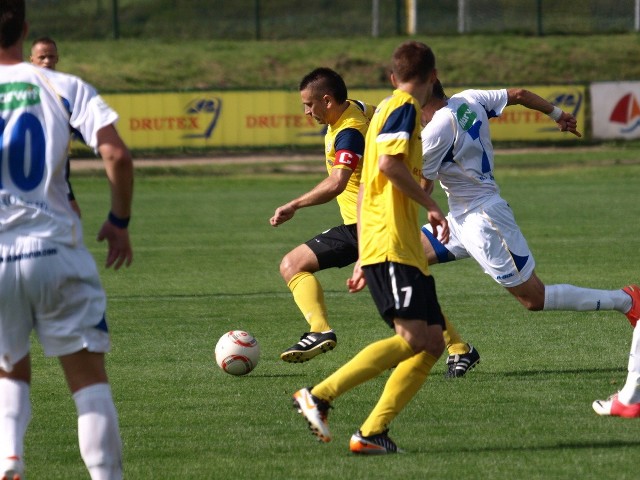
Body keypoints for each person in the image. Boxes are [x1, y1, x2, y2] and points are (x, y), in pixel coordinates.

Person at [418, 80, 640, 416]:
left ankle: (626, 300)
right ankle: (457, 348)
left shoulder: (435, 130)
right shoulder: (468, 99)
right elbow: (518, 95)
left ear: (421, 94)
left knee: (533, 299)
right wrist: (558, 114)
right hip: (459, 218)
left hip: (483, 221)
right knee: (401, 261)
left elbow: (422, 187)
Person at [292, 40, 450, 454]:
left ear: (393, 75)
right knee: (414, 337)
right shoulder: (402, 109)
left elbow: (363, 189)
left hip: (392, 245)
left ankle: (372, 432)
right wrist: (432, 204)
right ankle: (319, 395)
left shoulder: (380, 111)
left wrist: (362, 253)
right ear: (434, 76)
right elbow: (388, 166)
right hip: (392, 242)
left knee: (432, 342)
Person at [270, 67, 480, 377]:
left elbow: (338, 182)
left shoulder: (349, 132)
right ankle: (459, 348)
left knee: (292, 265)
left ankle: (320, 330)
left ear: (327, 101)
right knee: (409, 292)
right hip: (383, 218)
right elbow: (377, 112)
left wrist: (295, 204)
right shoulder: (355, 107)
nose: (306, 112)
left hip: (367, 223)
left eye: (309, 105)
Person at [0, 2, 134, 479]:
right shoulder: (63, 86)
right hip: (55, 250)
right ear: (26, 30)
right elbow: (115, 154)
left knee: (9, 365)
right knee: (87, 382)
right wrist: (119, 220)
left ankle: (9, 455)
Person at [30, 36, 81, 217]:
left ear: (57, 58)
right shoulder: (22, 91)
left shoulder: (67, 92)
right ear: (32, 60)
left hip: (57, 171)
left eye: (51, 57)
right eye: (42, 57)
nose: (47, 61)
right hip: (32, 169)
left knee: (72, 216)